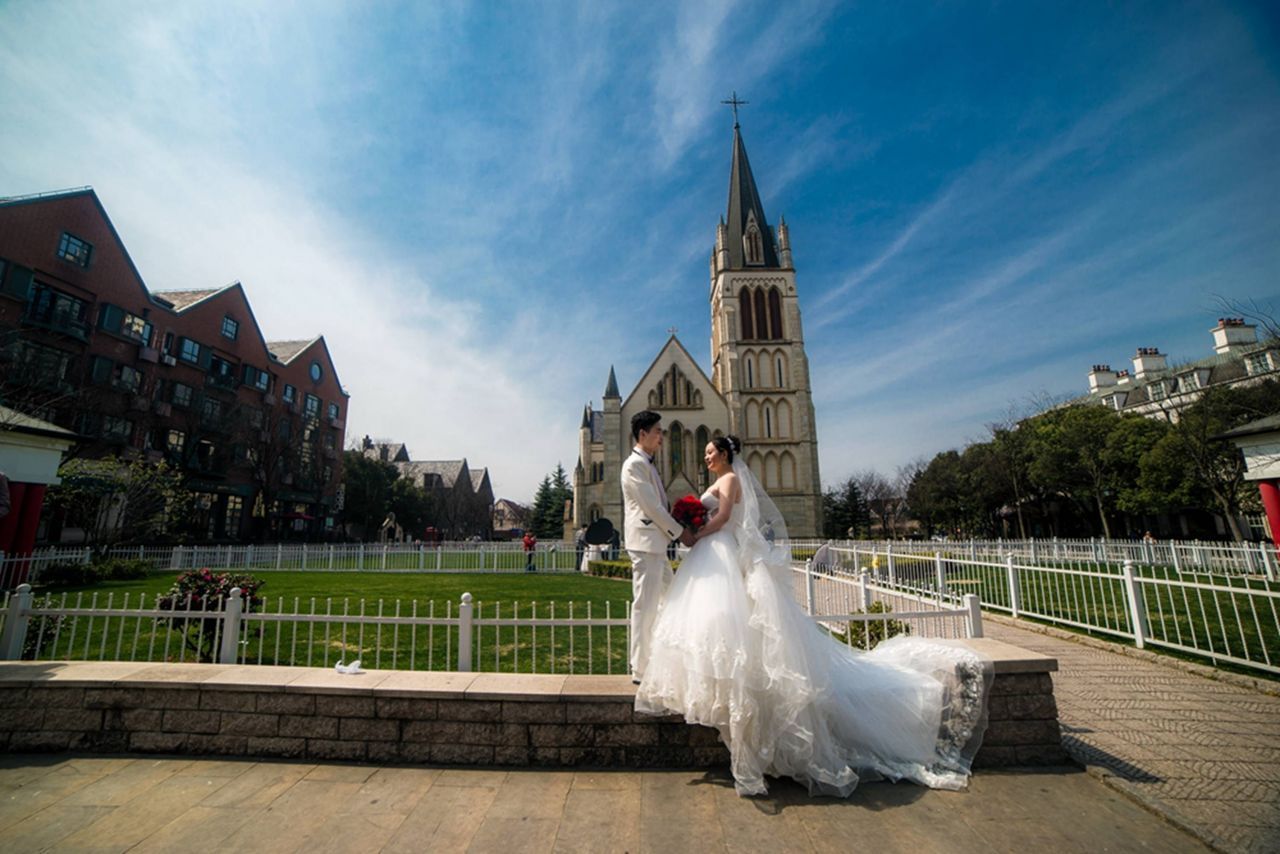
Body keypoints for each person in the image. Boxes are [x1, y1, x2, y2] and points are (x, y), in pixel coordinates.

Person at [635, 436, 991, 798]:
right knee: (717, 621)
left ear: (725, 454)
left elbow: (725, 516)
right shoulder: (720, 478)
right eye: (706, 453)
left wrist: (694, 533)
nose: (706, 457)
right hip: (714, 552)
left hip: (718, 548)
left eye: (711, 452)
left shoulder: (730, 480)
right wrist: (690, 526)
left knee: (732, 622)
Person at [621, 410, 694, 684]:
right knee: (645, 606)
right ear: (643, 434)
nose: (661, 436)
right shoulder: (634, 465)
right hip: (645, 545)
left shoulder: (648, 464)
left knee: (670, 600)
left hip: (656, 546)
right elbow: (651, 506)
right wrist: (679, 532)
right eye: (657, 431)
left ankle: (661, 660)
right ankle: (639, 669)